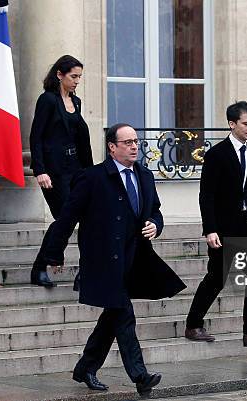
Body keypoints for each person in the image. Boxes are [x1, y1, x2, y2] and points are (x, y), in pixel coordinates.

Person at [33, 123, 186, 396]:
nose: (134, 146)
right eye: (127, 142)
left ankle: (85, 368)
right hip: (103, 261)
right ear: (112, 147)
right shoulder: (91, 177)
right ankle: (140, 376)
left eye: (136, 141)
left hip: (135, 260)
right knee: (124, 315)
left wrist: (155, 224)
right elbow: (67, 217)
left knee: (112, 318)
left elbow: (155, 211)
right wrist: (53, 254)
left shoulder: (145, 176)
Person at [184, 101, 247, 347]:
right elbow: (205, 195)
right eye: (245, 123)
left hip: (245, 224)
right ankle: (193, 325)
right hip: (222, 227)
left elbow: (241, 190)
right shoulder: (217, 154)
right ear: (232, 124)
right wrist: (210, 229)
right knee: (217, 277)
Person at [29, 55, 93, 287]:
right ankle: (45, 263)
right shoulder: (47, 100)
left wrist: (90, 173)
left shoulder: (76, 102)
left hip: (76, 169)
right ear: (60, 75)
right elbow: (36, 137)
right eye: (73, 76)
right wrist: (39, 169)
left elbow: (81, 140)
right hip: (54, 172)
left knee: (85, 218)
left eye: (79, 77)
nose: (77, 81)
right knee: (65, 217)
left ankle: (82, 272)